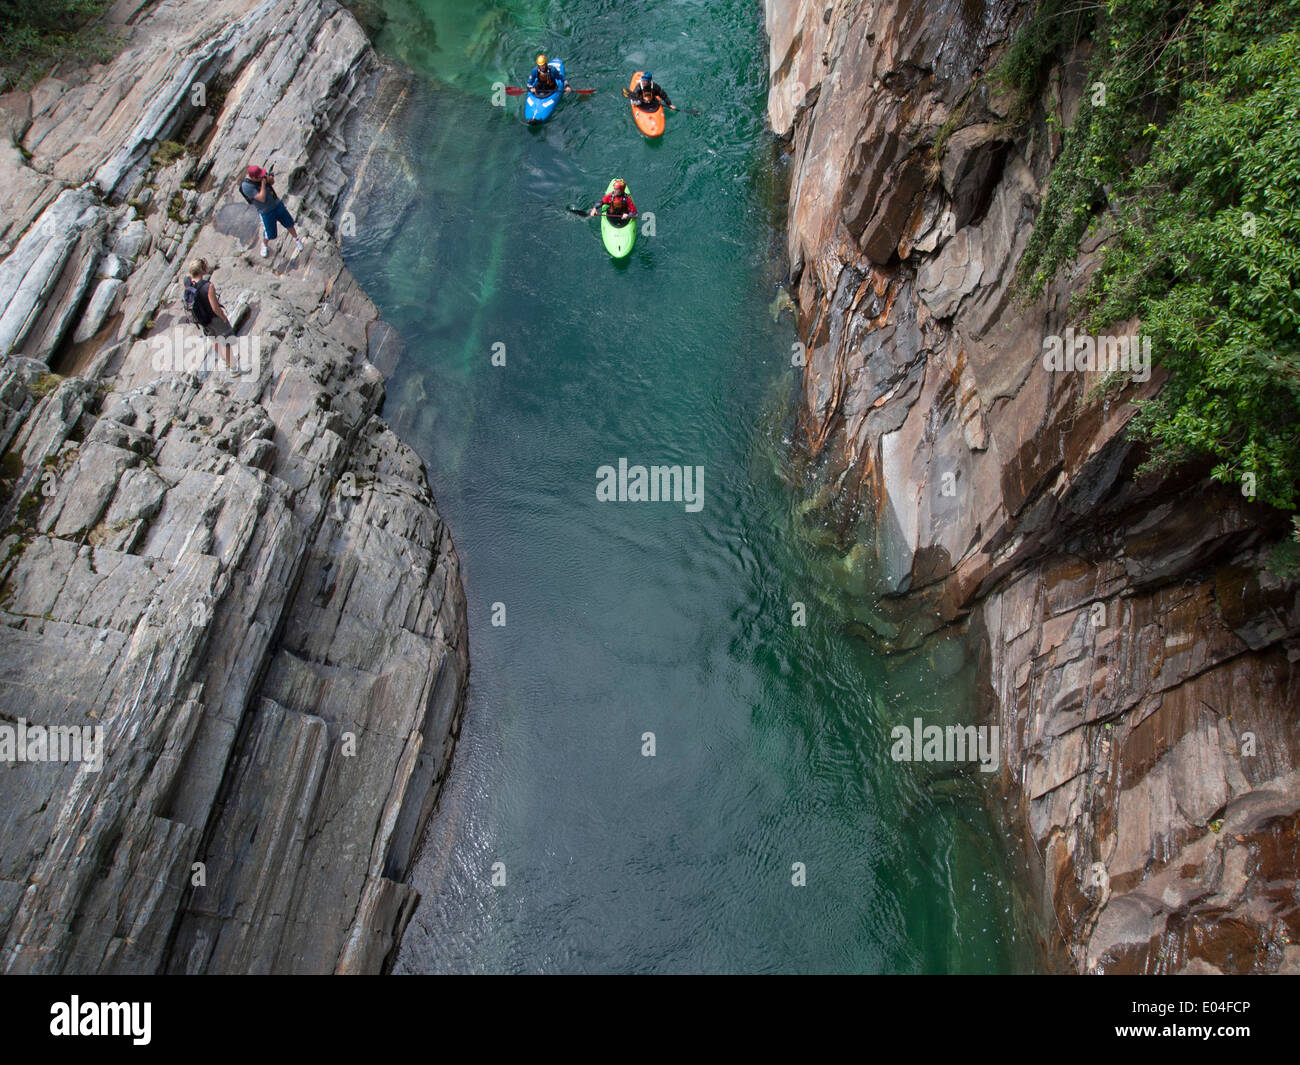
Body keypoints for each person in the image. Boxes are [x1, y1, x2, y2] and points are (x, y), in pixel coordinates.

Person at [239, 164, 304, 259]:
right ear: (253, 177)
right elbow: (261, 198)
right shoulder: (246, 186)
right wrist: (263, 183)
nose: (262, 177)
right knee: (270, 233)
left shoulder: (261, 176)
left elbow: (272, 183)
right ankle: (264, 245)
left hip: (277, 204)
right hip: (265, 211)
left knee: (289, 223)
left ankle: (297, 239)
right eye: (260, 177)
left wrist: (269, 179)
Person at [183, 258, 233, 337]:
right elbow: (215, 308)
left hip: (203, 322)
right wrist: (224, 318)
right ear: (202, 270)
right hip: (215, 319)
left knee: (216, 345)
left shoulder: (187, 284)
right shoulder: (208, 286)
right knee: (227, 346)